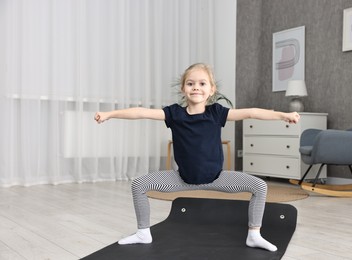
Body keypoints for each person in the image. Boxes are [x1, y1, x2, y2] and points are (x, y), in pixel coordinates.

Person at [94, 63, 300, 252]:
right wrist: (110, 114)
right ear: (183, 89)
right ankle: (143, 232)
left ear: (211, 90)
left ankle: (254, 235)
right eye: (190, 83)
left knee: (260, 186)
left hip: (217, 178)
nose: (196, 87)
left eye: (202, 83)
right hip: (181, 179)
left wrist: (283, 116)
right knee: (139, 184)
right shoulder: (174, 114)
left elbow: (252, 113)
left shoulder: (216, 113)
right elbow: (140, 112)